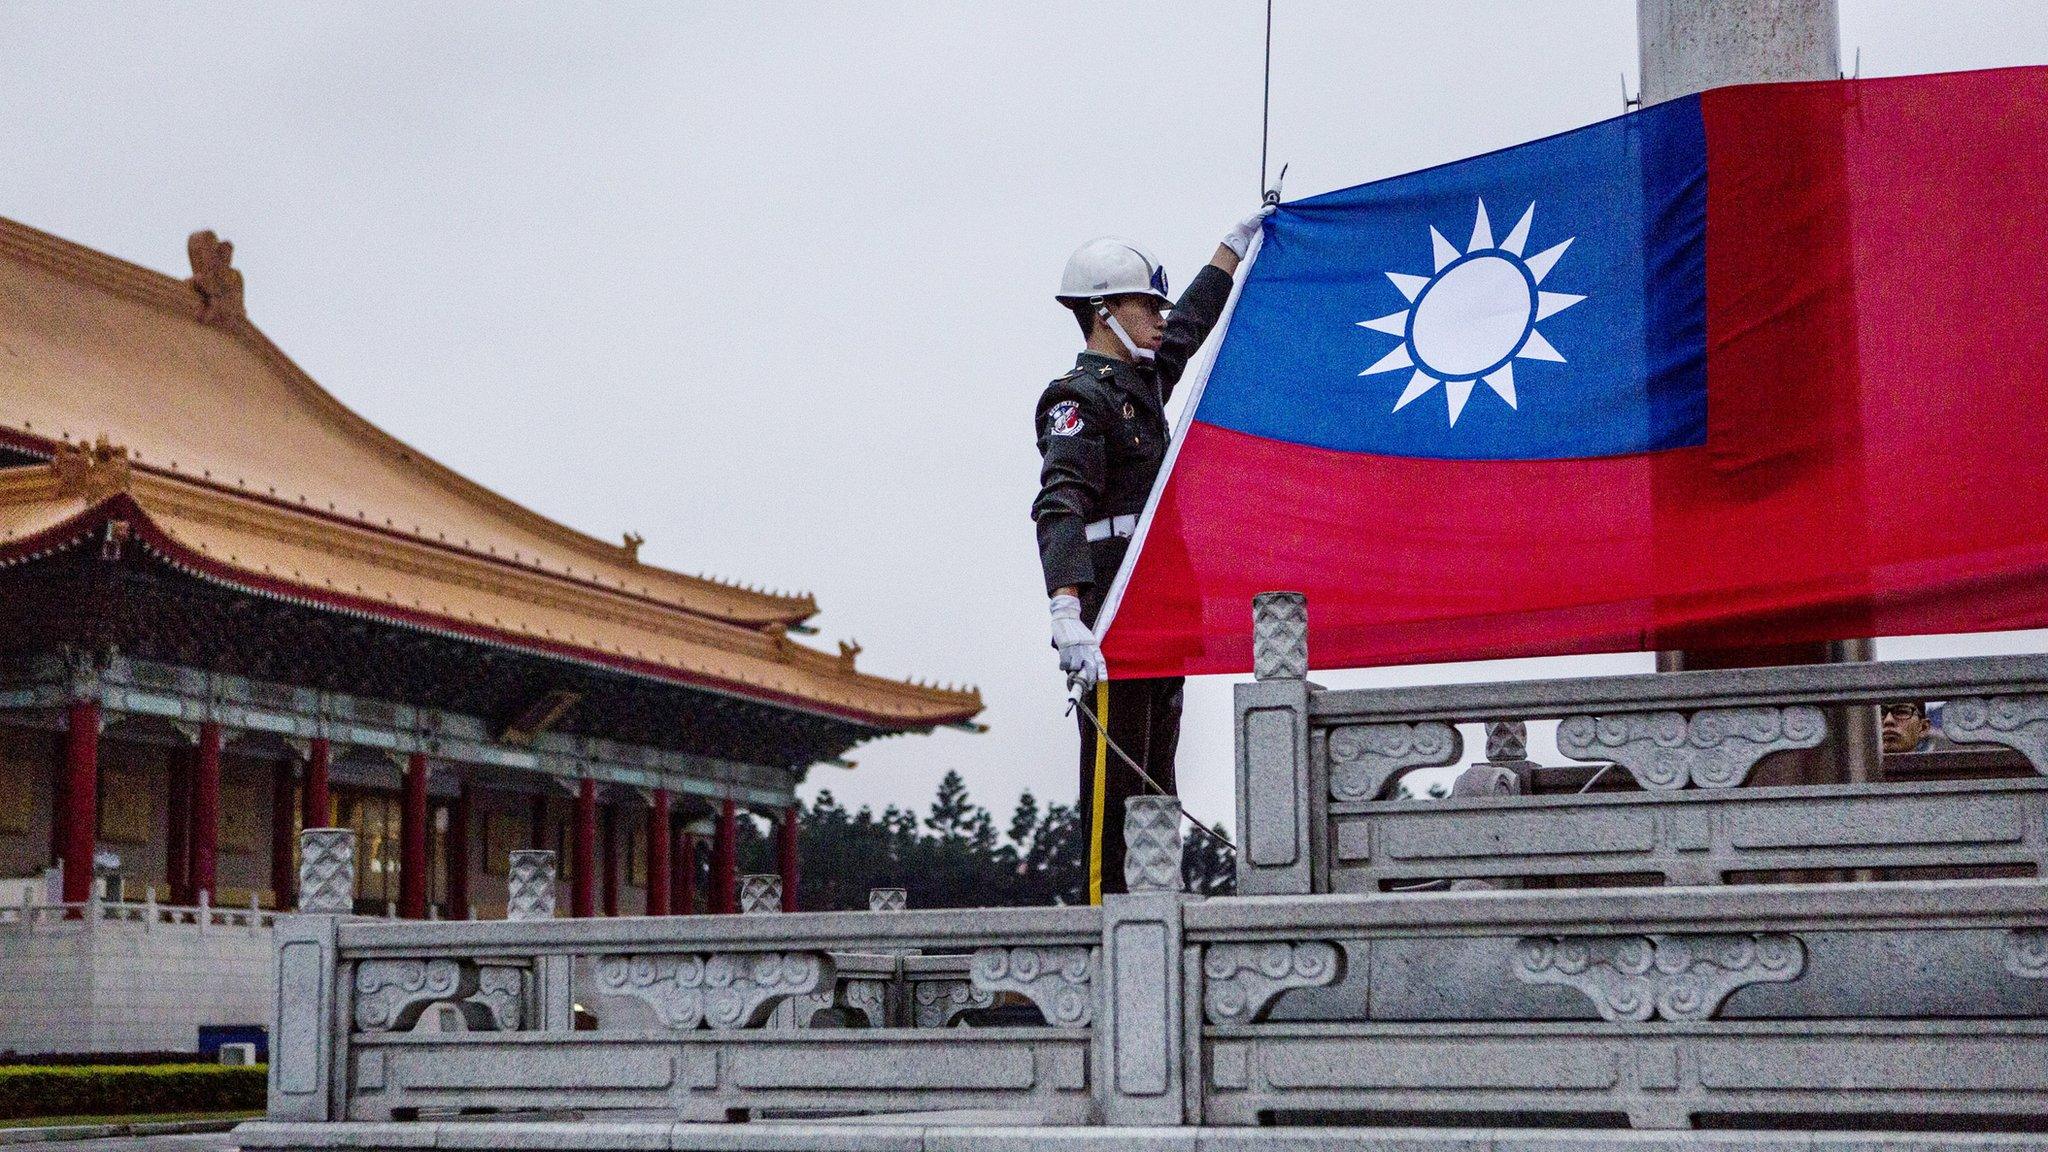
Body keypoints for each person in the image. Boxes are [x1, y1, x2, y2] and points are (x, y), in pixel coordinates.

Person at [1031, 194, 1274, 902]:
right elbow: (1060, 502)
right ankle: (1110, 916)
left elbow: (1191, 325)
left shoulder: (1140, 386)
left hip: (1161, 604)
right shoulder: (1077, 399)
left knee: (1155, 778)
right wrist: (1066, 608)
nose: (1162, 318)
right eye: (1147, 307)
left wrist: (1232, 249)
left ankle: (1155, 903)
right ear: (1104, 313)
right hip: (1110, 608)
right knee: (1114, 781)